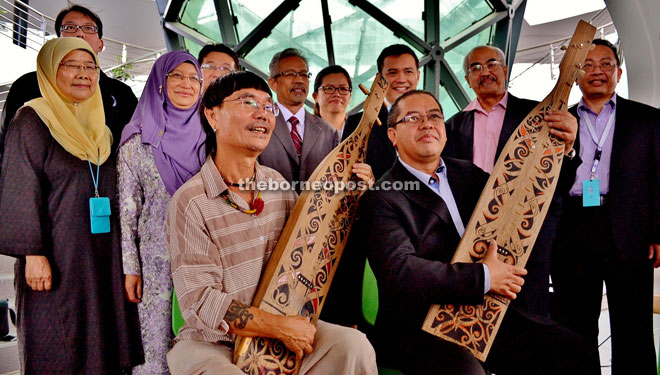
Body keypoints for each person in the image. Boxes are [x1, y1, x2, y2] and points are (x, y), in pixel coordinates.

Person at [357, 89, 597, 375]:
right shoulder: (383, 196)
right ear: (393, 135)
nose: (426, 124)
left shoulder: (468, 174)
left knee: (574, 350)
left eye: (434, 116)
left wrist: (564, 150)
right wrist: (485, 276)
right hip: (420, 327)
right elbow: (401, 271)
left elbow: (525, 202)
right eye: (413, 118)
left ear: (444, 130)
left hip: (488, 314)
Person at [166, 71, 377, 375]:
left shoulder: (276, 185)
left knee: (353, 346)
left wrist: (351, 196)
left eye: (268, 106)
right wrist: (279, 327)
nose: (262, 114)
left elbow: (311, 245)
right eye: (248, 102)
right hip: (212, 343)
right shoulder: (192, 200)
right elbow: (200, 300)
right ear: (213, 116)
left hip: (281, 329)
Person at [0, 37, 143, 374]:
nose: (83, 74)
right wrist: (32, 255)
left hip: (102, 256)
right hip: (57, 259)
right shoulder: (33, 120)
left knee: (104, 342)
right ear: (50, 71)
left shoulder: (102, 131)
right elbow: (20, 186)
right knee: (59, 342)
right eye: (71, 66)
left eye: (90, 66)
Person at [443, 45, 580, 318]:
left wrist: (568, 149)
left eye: (492, 64)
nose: (485, 72)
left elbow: (561, 180)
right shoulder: (452, 126)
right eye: (476, 68)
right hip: (474, 230)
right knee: (478, 310)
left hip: (529, 226)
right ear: (468, 80)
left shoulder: (538, 115)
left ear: (505, 71)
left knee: (531, 308)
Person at [550, 39, 660, 374]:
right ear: (574, 73)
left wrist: (658, 231)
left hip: (630, 229)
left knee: (634, 322)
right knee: (574, 322)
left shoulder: (648, 120)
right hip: (572, 228)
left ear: (618, 72)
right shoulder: (556, 121)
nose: (597, 71)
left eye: (605, 64)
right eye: (587, 64)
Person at [119, 51, 206, 375]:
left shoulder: (211, 138)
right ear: (160, 82)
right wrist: (131, 268)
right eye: (177, 76)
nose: (186, 84)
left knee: (200, 344)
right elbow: (128, 211)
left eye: (193, 78)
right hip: (154, 263)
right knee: (153, 348)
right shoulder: (136, 139)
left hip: (203, 258)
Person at [0, 4, 138, 171]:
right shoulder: (27, 86)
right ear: (57, 40)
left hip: (105, 187)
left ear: (100, 45)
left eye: (88, 28)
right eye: (70, 27)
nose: (79, 33)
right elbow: (7, 145)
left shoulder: (121, 93)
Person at [258, 48, 339, 187]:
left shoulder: (328, 132)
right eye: (290, 74)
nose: (299, 80)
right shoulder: (259, 126)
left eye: (303, 74)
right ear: (273, 83)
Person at [343, 44, 421, 180]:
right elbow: (346, 177)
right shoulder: (358, 124)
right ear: (380, 79)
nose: (401, 79)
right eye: (392, 73)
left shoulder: (437, 124)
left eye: (408, 72)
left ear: (418, 76)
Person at [312, 65, 353, 137]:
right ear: (315, 96)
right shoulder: (303, 132)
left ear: (349, 97)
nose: (337, 94)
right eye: (328, 88)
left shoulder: (362, 132)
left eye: (343, 88)